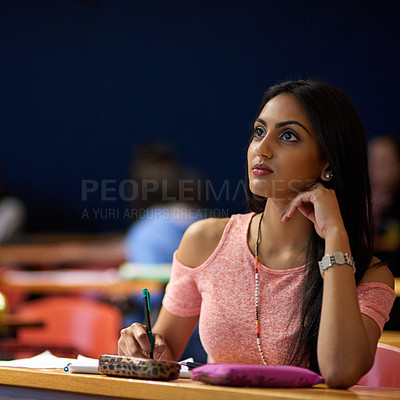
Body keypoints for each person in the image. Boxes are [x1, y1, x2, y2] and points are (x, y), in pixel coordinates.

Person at [118, 80, 395, 388]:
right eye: (259, 132)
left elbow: (340, 371)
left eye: (288, 136)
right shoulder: (205, 242)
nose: (262, 149)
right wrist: (140, 347)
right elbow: (163, 353)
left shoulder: (369, 274)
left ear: (327, 162)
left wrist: (335, 236)